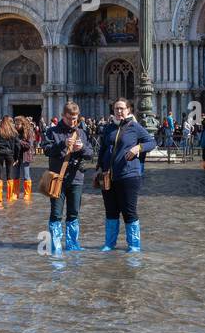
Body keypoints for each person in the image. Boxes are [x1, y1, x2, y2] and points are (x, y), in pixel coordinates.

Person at [95, 98, 156, 252]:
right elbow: (103, 148)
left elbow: (151, 142)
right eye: (116, 109)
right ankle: (109, 244)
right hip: (108, 176)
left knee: (129, 211)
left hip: (129, 176)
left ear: (129, 110)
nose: (119, 111)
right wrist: (98, 167)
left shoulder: (134, 127)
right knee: (111, 211)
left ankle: (134, 245)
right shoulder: (108, 128)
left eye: (122, 108)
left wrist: (138, 148)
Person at [42, 102, 94, 254]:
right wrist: (62, 144)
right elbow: (46, 150)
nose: (73, 121)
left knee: (73, 213)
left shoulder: (82, 132)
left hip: (76, 178)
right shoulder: (52, 132)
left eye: (75, 118)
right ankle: (55, 245)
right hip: (57, 179)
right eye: (70, 118)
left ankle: (72, 244)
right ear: (63, 116)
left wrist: (82, 148)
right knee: (56, 213)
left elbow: (90, 153)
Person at [0, 115, 19, 206]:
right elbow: (17, 146)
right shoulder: (14, 132)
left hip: (0, 153)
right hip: (10, 154)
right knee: (9, 175)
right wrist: (16, 157)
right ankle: (9, 196)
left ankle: (0, 197)